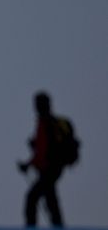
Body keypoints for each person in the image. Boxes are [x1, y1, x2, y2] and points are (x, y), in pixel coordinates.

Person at [18, 92, 80, 227]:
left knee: (32, 198)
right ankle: (58, 225)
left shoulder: (44, 123)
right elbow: (43, 148)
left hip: (48, 168)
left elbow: (41, 150)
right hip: (56, 167)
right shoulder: (50, 122)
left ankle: (33, 227)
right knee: (50, 199)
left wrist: (27, 165)